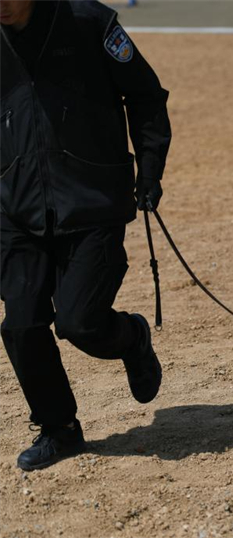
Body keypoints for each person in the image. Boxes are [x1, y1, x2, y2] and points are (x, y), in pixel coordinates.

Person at [0, 0, 171, 471]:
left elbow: (145, 95)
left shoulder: (88, 22)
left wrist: (150, 170)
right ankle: (60, 428)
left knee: (79, 323)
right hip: (16, 206)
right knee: (21, 324)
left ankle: (132, 337)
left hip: (91, 199)